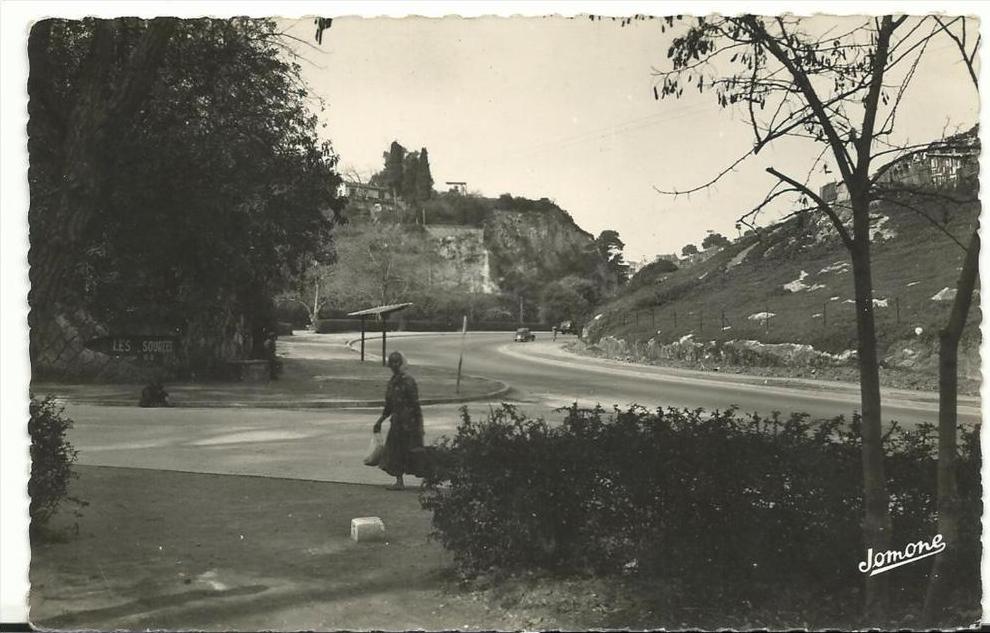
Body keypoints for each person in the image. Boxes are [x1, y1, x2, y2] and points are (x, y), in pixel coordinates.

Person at [373, 351, 425, 490]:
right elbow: (389, 406)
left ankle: (428, 480)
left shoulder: (409, 381)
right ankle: (399, 481)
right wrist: (380, 421)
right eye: (392, 362)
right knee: (395, 452)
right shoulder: (392, 382)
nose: (394, 365)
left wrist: (419, 425)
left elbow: (415, 404)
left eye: (397, 361)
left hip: (410, 423)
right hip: (397, 423)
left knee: (414, 452)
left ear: (401, 363)